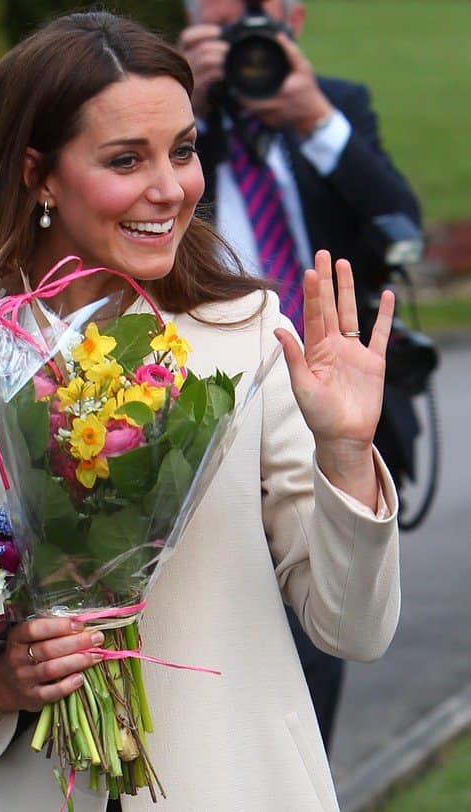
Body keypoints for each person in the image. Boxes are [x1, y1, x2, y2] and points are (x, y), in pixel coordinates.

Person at [0, 12, 400, 812]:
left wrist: (348, 455)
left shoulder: (249, 336)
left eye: (183, 150)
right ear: (37, 173)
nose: (171, 188)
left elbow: (353, 630)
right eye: (127, 159)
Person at [178, 0, 420, 750]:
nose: (246, 35)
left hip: (329, 400)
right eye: (225, 17)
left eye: (261, 13)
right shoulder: (179, 117)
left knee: (320, 647)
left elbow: (399, 217)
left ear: (297, 20)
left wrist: (316, 120)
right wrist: (186, 102)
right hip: (199, 409)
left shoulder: (335, 105)